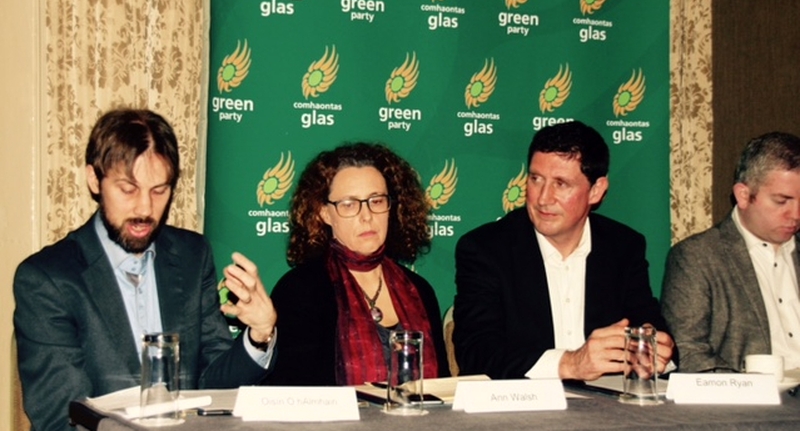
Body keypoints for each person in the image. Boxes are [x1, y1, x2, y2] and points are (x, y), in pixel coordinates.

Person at [13, 108, 277, 431]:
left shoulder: (193, 257)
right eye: (128, 189)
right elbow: (63, 419)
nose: (144, 208)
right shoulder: (48, 279)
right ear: (94, 179)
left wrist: (259, 336)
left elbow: (215, 385)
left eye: (159, 190)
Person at [453, 120, 675, 380]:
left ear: (596, 191)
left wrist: (653, 350)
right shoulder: (486, 249)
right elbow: (477, 354)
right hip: (522, 412)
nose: (543, 198)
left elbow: (651, 328)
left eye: (561, 184)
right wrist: (570, 364)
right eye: (536, 179)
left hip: (608, 410)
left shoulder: (623, 247)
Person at [265, 142, 448, 386]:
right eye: (349, 204)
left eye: (377, 201)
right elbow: (296, 394)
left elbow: (444, 391)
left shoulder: (419, 290)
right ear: (324, 213)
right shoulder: (300, 291)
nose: (367, 215)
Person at [661, 131, 800, 373]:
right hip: (749, 402)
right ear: (743, 195)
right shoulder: (697, 257)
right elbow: (689, 352)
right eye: (781, 201)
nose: (796, 214)